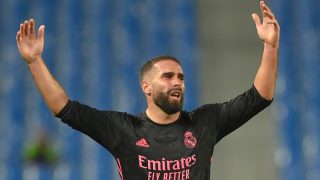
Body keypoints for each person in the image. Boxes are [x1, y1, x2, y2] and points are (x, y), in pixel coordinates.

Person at [16, 1, 279, 179]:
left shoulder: (205, 122)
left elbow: (259, 97)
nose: (177, 81)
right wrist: (35, 61)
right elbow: (63, 107)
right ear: (146, 87)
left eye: (181, 77)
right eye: (167, 76)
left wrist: (270, 47)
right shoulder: (123, 129)